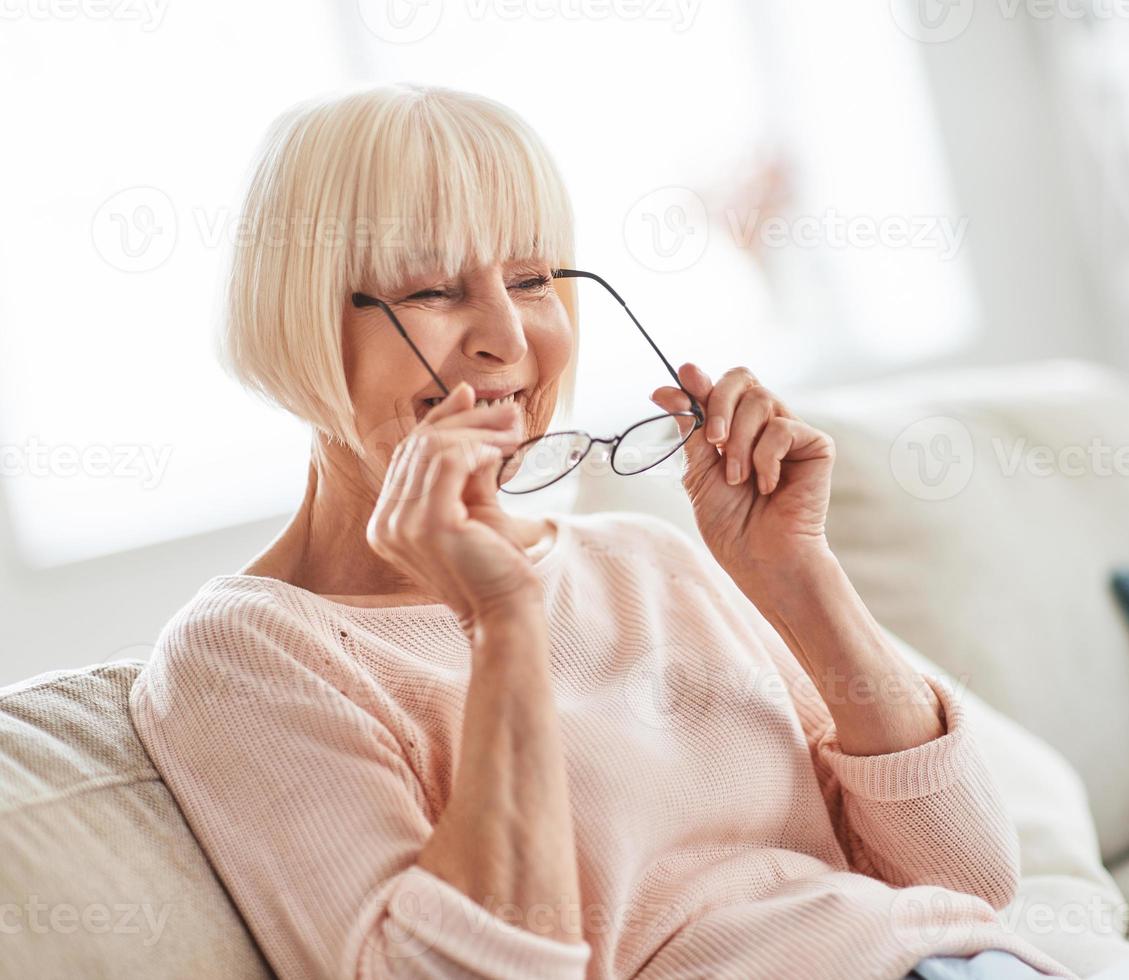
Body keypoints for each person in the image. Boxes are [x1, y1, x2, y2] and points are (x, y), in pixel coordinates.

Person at [130, 83, 1077, 979]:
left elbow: (969, 876)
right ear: (297, 321)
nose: (509, 337)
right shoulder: (250, 656)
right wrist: (499, 626)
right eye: (430, 290)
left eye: (534, 279)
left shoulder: (644, 559)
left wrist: (796, 576)